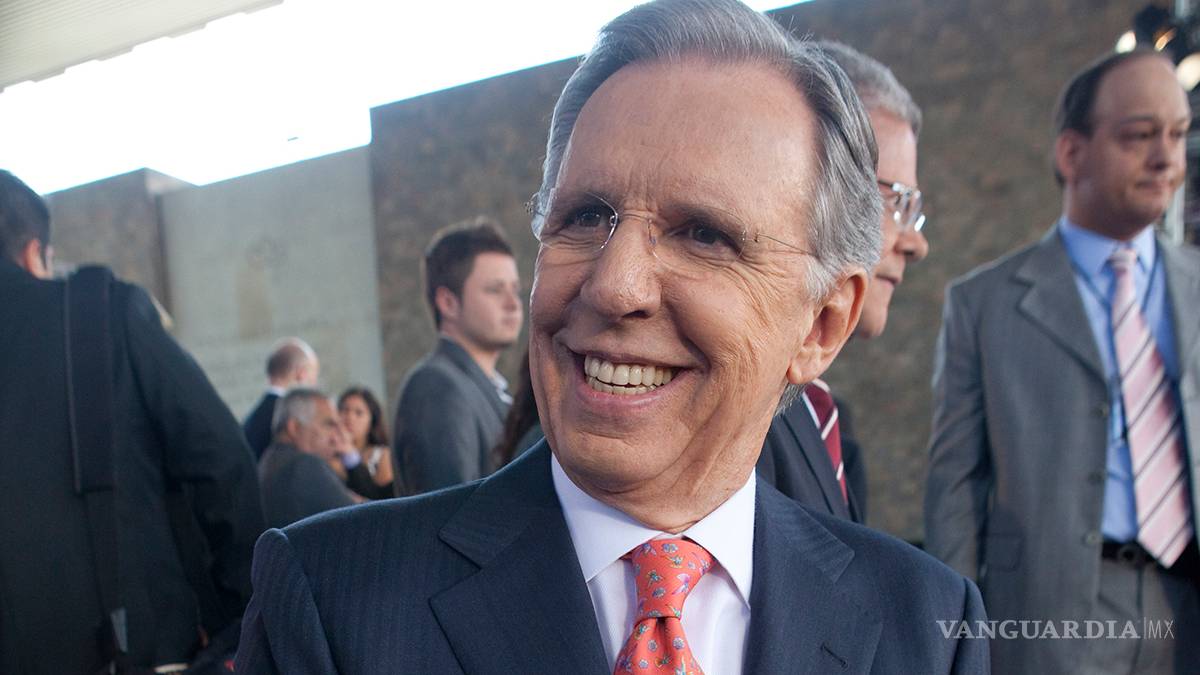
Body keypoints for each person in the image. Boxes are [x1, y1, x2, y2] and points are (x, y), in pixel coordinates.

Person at [236, 2, 987, 672]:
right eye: (586, 217)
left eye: (703, 234)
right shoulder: (333, 599)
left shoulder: (928, 626)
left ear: (821, 324)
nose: (614, 285)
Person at [925, 48, 1199, 674]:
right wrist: (953, 641)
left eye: (1179, 134)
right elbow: (955, 487)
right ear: (1072, 153)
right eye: (1139, 136)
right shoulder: (984, 304)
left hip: (1187, 607)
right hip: (1046, 619)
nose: (1166, 158)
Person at [0, 169, 264, 673]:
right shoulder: (96, 315)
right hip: (134, 650)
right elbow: (220, 460)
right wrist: (237, 623)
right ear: (35, 254)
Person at [758, 40, 929, 524]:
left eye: (914, 209)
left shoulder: (828, 420)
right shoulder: (737, 420)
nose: (917, 244)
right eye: (895, 201)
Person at [391, 218, 523, 495]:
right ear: (448, 303)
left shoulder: (482, 385)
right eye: (495, 290)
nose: (513, 304)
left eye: (515, 290)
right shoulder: (436, 387)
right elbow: (449, 514)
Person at [258, 388, 363, 529]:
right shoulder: (303, 465)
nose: (337, 436)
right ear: (295, 428)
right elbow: (365, 521)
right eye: (329, 424)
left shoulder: (272, 459)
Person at [242, 337, 320, 459]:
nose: (315, 385)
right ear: (301, 374)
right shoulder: (289, 416)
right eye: (314, 377)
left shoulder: (253, 417)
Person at [337, 385, 395, 499]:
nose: (349, 417)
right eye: (345, 410)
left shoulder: (382, 456)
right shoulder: (328, 455)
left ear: (372, 420)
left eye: (359, 413)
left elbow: (386, 501)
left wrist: (350, 455)